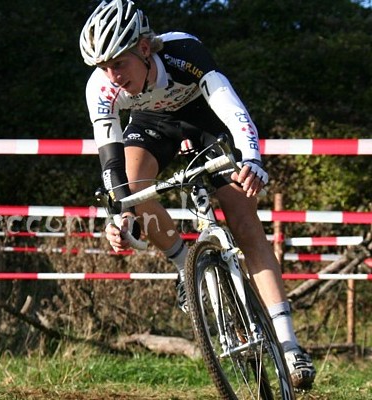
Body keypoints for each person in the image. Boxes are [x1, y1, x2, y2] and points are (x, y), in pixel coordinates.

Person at [79, 0, 316, 390]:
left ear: (144, 48)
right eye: (103, 67)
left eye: (118, 63)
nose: (112, 75)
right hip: (153, 126)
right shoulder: (100, 87)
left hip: (205, 120)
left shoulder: (183, 51)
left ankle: (289, 345)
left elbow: (231, 108)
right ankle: (185, 267)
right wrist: (119, 215)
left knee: (243, 220)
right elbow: (111, 161)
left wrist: (252, 158)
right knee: (134, 192)